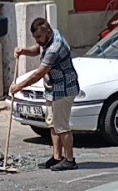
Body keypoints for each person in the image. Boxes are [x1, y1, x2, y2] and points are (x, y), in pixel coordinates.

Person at [10, 17, 81, 172]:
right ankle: (57, 157)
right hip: (52, 89)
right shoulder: (49, 37)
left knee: (62, 126)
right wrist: (24, 51)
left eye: (39, 37)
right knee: (53, 124)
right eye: (36, 38)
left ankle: (70, 160)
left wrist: (18, 87)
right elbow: (38, 49)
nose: (38, 41)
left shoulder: (56, 47)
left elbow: (38, 74)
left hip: (64, 89)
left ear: (47, 32)